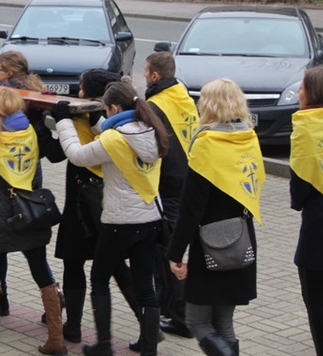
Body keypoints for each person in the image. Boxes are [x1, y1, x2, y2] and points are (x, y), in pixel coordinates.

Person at [52, 81, 168, 356]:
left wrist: (64, 122)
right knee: (144, 283)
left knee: (100, 278)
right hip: (151, 217)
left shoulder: (115, 139)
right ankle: (149, 346)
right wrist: (97, 121)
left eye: (105, 109)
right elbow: (114, 136)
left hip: (121, 222)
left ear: (114, 108)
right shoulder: (151, 130)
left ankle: (104, 344)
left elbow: (78, 155)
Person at [36, 70, 147, 346]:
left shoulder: (95, 121)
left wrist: (58, 120)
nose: (78, 93)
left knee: (75, 262)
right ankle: (148, 326)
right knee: (117, 267)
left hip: (84, 199)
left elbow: (65, 152)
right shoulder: (108, 120)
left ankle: (74, 326)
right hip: (102, 199)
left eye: (81, 89)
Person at [0, 86, 66, 356]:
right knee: (40, 269)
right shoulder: (30, 131)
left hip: (3, 212)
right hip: (32, 210)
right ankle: (56, 338)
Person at [167, 78, 263, 356]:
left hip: (211, 243)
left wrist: (175, 253)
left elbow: (190, 208)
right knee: (224, 322)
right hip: (242, 238)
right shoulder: (249, 137)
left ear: (208, 106)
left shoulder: (207, 144)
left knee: (197, 321)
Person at [144, 51, 199, 342]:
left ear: (155, 76)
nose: (144, 75)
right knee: (170, 248)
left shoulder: (156, 104)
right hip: (188, 176)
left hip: (167, 184)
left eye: (146, 71)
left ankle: (181, 317)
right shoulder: (183, 95)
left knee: (168, 252)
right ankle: (171, 309)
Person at [289, 67, 323, 356]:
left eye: (302, 88)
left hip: (320, 225)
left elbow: (299, 189)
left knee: (315, 297)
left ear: (312, 92)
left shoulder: (305, 127)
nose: (298, 93)